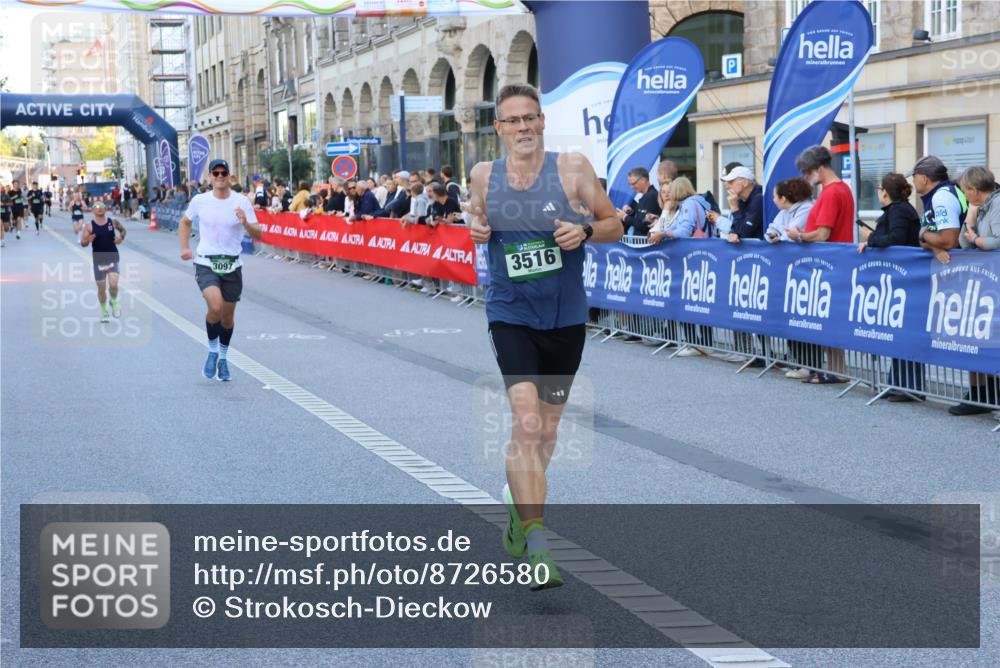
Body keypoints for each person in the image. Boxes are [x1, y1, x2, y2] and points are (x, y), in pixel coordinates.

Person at [468, 83, 622, 590]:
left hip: (564, 316)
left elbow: (614, 223)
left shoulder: (572, 168)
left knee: (548, 435)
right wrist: (479, 231)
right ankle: (538, 545)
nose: (523, 128)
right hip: (510, 313)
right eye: (512, 121)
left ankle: (518, 504)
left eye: (530, 118)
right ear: (499, 128)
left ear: (541, 120)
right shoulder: (483, 175)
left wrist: (584, 233)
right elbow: (479, 222)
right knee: (527, 423)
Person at [178, 159, 262, 382]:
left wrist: (245, 223)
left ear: (229, 176)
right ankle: (212, 350)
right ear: (210, 177)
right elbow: (185, 222)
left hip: (232, 264)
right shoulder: (200, 200)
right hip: (206, 262)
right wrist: (185, 248)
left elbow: (259, 234)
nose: (219, 176)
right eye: (215, 173)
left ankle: (223, 358)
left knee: (227, 317)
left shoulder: (241, 202)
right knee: (215, 306)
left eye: (223, 172)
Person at [789, 145, 855, 384]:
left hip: (829, 263)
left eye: (807, 173)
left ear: (818, 169)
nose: (806, 178)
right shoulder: (842, 189)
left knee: (828, 319)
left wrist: (797, 235)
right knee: (830, 319)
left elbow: (822, 234)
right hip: (834, 262)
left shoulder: (830, 193)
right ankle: (837, 370)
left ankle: (837, 372)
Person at [858, 173, 923, 400]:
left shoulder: (899, 210)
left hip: (905, 279)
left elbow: (895, 239)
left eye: (879, 188)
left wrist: (871, 236)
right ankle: (897, 383)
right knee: (898, 332)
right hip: (899, 278)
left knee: (905, 332)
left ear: (884, 192)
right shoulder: (900, 209)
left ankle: (909, 387)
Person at [948, 165, 1000, 415]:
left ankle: (990, 392)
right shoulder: (980, 205)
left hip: (994, 281)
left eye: (965, 192)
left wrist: (977, 240)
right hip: (982, 283)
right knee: (979, 337)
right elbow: (962, 241)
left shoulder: (998, 204)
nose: (964, 195)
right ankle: (982, 393)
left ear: (975, 190)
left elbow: (995, 240)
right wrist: (971, 214)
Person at [908, 155, 966, 265]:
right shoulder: (936, 195)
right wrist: (935, 248)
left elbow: (949, 242)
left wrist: (923, 235)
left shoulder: (942, 196)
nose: (913, 181)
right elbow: (924, 242)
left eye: (914, 176)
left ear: (924, 179)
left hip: (959, 267)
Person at [79, 201, 126, 323]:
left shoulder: (113, 222)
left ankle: (114, 301)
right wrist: (88, 240)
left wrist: (121, 238)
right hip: (98, 259)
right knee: (101, 289)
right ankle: (104, 309)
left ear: (106, 209)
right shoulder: (89, 226)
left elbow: (123, 230)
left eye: (102, 207)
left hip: (113, 256)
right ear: (93, 210)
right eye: (97, 207)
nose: (100, 209)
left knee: (114, 284)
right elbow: (83, 243)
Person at [721, 165, 763, 243]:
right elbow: (735, 228)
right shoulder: (740, 199)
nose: (726, 185)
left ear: (745, 182)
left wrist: (734, 208)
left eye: (731, 181)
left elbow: (745, 233)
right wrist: (733, 233)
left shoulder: (759, 198)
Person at [766, 177, 814, 242]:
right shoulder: (785, 210)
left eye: (774, 196)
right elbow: (772, 228)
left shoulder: (807, 209)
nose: (773, 200)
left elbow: (790, 235)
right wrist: (772, 235)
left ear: (783, 199)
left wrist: (780, 238)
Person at [617, 167, 660, 237]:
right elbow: (640, 219)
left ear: (643, 180)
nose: (631, 187)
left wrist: (625, 217)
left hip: (646, 244)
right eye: (630, 184)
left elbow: (645, 226)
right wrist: (632, 212)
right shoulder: (646, 196)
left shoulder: (651, 196)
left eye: (633, 183)